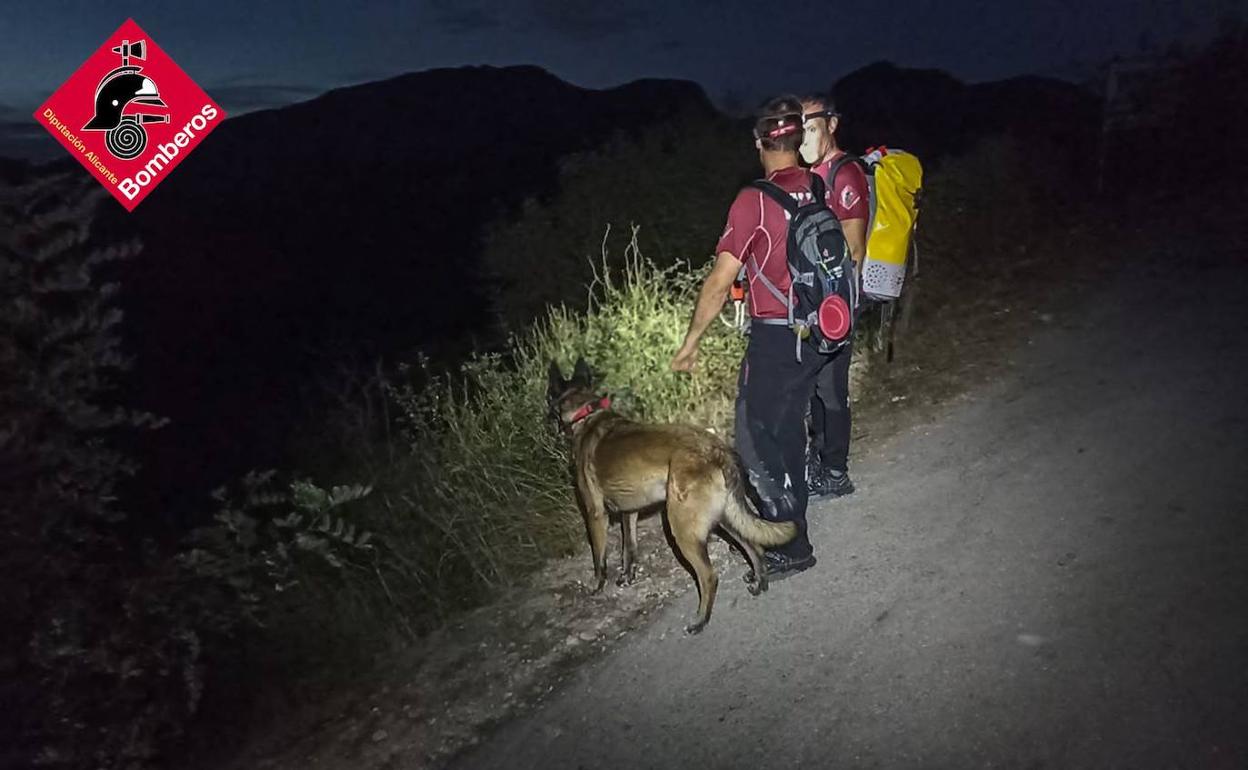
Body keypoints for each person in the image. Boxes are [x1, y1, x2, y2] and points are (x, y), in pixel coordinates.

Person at [670, 95, 828, 580]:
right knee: (786, 432)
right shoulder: (817, 187)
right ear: (798, 139)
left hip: (776, 338)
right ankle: (793, 517)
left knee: (756, 442)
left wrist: (691, 342)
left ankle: (791, 544)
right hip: (818, 331)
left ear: (760, 142)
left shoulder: (752, 201)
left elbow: (720, 281)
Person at [799, 93, 871, 498]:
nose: (805, 139)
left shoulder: (845, 174)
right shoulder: (811, 176)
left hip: (837, 303)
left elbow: (854, 248)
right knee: (814, 389)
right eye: (800, 130)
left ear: (832, 124)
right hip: (814, 304)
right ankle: (820, 462)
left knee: (831, 389)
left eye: (811, 128)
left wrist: (837, 308)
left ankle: (836, 471)